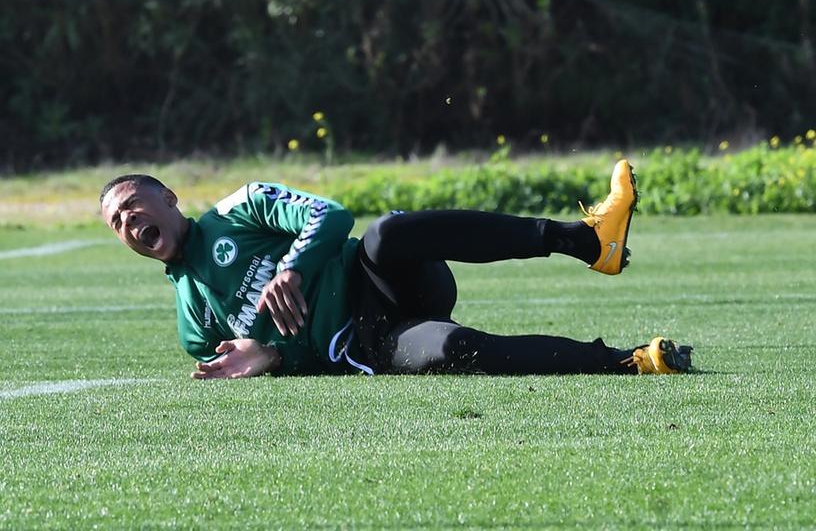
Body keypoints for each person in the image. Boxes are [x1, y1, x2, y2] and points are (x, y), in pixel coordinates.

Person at [99, 159, 693, 378]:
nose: (129, 224)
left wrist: (294, 269)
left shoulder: (237, 210)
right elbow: (294, 364)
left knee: (388, 232)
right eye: (117, 225)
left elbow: (331, 215)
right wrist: (276, 357)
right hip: (371, 342)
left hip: (385, 276)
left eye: (132, 207)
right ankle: (628, 360)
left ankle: (589, 242)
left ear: (170, 198)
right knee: (451, 349)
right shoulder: (193, 324)